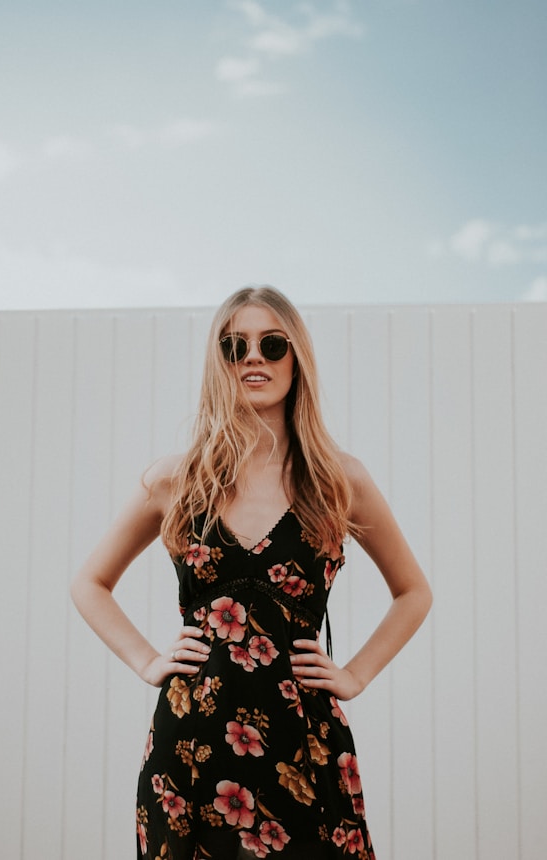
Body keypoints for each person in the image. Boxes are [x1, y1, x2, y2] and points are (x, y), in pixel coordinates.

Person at [71, 285, 432, 860]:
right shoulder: (177, 481)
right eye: (234, 346)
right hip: (192, 744)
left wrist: (356, 675)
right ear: (219, 362)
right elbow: (89, 584)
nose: (254, 358)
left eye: (272, 343)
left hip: (304, 742)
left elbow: (413, 592)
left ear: (297, 358)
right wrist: (147, 660)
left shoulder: (340, 482)